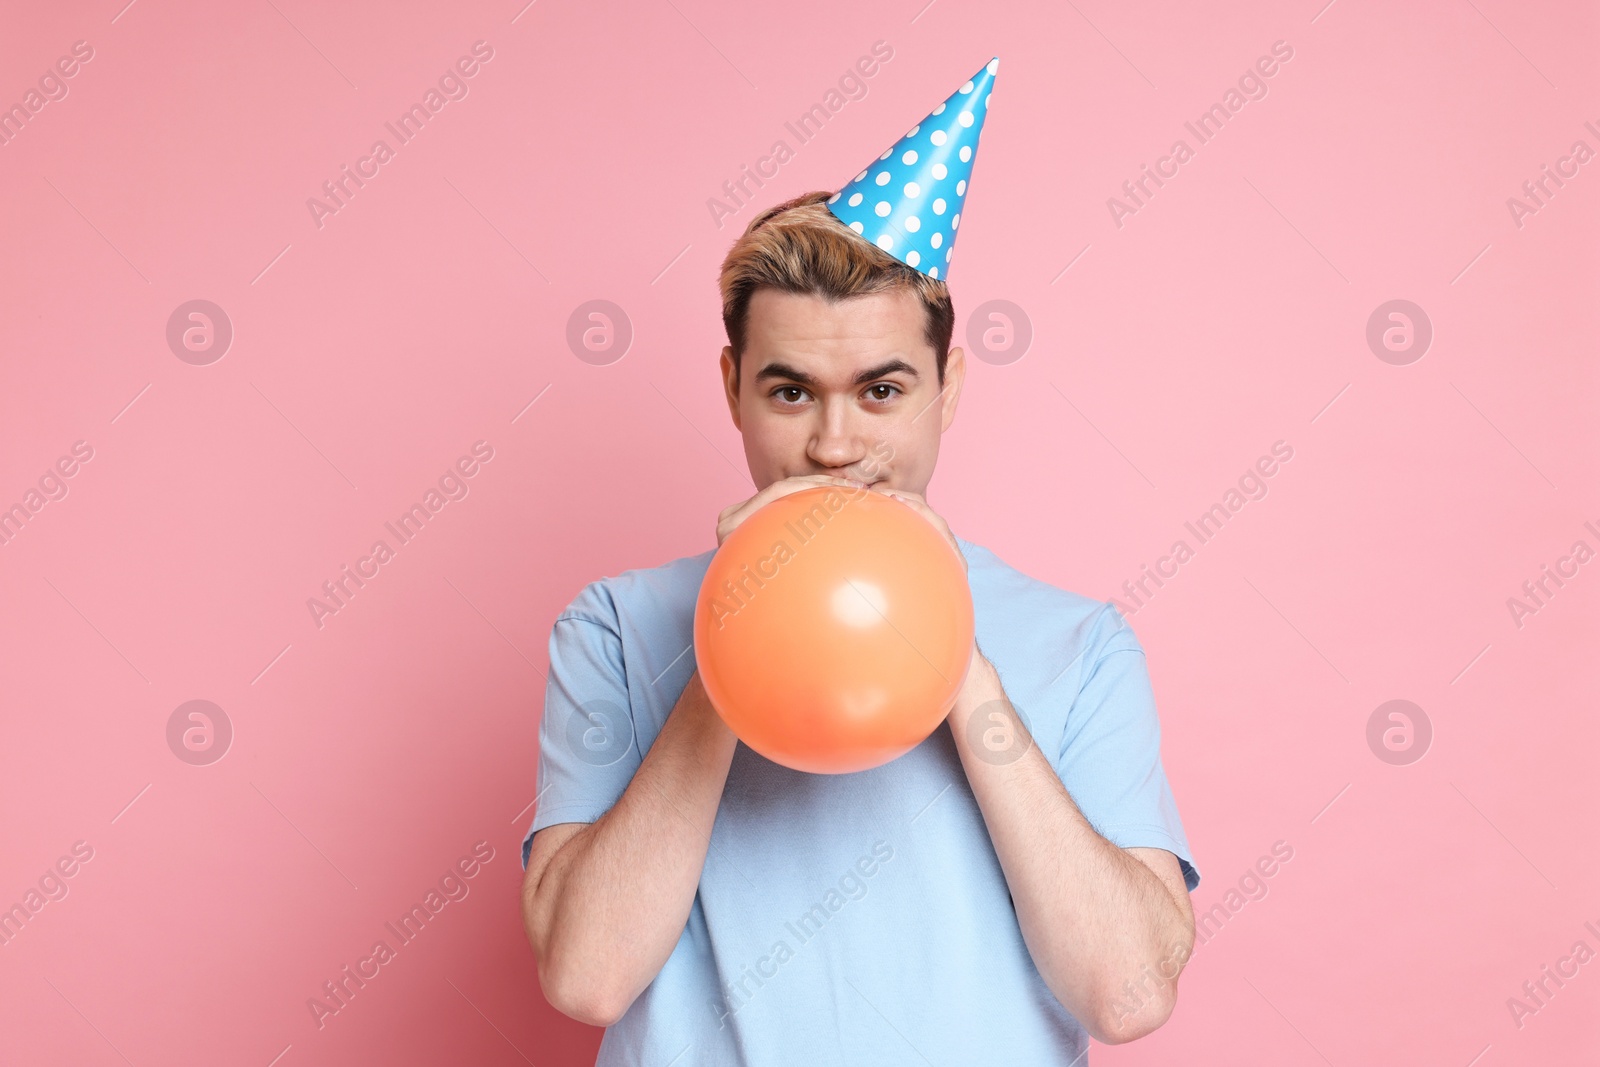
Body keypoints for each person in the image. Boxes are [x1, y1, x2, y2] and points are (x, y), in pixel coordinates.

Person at [521, 60, 1199, 1065]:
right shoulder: (615, 629)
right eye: (790, 392)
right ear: (732, 387)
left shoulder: (1081, 644)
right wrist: (737, 633)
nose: (835, 445)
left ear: (946, 386)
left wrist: (953, 660)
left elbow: (1130, 993)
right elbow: (585, 976)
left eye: (880, 391)